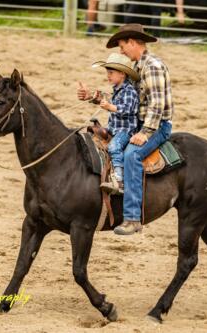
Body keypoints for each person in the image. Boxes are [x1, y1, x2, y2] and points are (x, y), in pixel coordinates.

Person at [78, 24, 174, 236]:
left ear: (132, 42)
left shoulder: (153, 66)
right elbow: (122, 97)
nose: (121, 52)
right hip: (139, 123)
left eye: (122, 47)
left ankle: (132, 218)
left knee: (132, 155)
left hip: (157, 125)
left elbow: (157, 105)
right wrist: (93, 96)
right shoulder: (138, 67)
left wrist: (145, 132)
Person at [91, 53, 140, 194]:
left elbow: (128, 109)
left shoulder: (129, 91)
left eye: (111, 73)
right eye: (107, 72)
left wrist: (110, 107)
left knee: (114, 146)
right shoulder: (117, 90)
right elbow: (107, 99)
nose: (108, 75)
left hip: (125, 131)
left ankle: (119, 180)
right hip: (115, 128)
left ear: (122, 74)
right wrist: (92, 97)